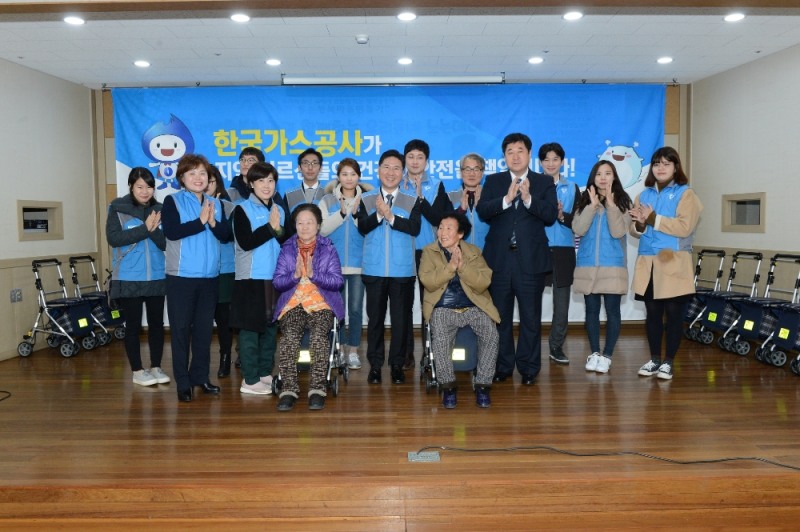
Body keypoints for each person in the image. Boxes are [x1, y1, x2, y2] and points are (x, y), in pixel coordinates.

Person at [476, 132, 558, 385]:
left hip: (530, 261)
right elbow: (483, 211)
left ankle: (529, 369)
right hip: (499, 261)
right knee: (499, 318)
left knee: (530, 319)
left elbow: (550, 215)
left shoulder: (543, 183)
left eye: (520, 150)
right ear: (504, 157)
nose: (515, 155)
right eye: (510, 151)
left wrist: (527, 199)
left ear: (529, 154)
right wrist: (507, 199)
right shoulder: (494, 181)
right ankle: (503, 366)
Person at [161, 154, 230, 402]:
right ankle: (183, 382)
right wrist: (201, 221)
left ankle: (200, 377)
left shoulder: (216, 203)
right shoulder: (172, 201)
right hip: (181, 277)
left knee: (203, 331)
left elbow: (224, 235)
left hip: (210, 277)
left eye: (202, 173)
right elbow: (172, 231)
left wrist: (212, 221)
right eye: (192, 173)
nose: (198, 178)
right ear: (182, 178)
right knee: (180, 330)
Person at [630, 147, 703, 380]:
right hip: (648, 261)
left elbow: (685, 227)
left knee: (674, 315)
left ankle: (669, 362)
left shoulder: (686, 194)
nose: (660, 168)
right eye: (656, 164)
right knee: (652, 313)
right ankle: (654, 359)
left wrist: (653, 219)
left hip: (674, 262)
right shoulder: (644, 195)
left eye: (666, 164)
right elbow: (635, 229)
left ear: (675, 167)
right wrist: (640, 224)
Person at [419, 212, 500, 409]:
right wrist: (450, 268)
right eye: (440, 227)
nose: (443, 232)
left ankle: (482, 386)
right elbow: (428, 282)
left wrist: (462, 267)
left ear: (460, 233)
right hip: (443, 306)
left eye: (449, 228)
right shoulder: (429, 252)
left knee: (491, 334)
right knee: (440, 339)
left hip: (473, 306)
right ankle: (448, 388)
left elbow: (483, 283)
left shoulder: (473, 252)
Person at [357, 149, 422, 385]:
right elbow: (362, 227)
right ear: (378, 170)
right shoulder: (366, 198)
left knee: (400, 321)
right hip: (374, 269)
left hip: (402, 270)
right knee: (374, 320)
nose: (391, 172)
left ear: (402, 172)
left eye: (396, 168)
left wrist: (390, 216)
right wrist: (379, 214)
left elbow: (414, 228)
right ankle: (375, 366)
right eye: (386, 167)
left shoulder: (411, 198)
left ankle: (397, 365)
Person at [273, 204, 345, 411]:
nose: (304, 227)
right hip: (294, 304)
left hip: (321, 304)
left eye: (309, 222)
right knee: (288, 340)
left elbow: (337, 282)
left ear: (318, 225)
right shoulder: (287, 249)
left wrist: (314, 275)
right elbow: (278, 282)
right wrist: (294, 276)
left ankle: (317, 389)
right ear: (294, 225)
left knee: (318, 339)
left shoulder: (328, 248)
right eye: (300, 223)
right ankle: (289, 389)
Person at [229, 162, 289, 395]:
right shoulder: (241, 209)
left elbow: (284, 240)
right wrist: (270, 227)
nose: (267, 185)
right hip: (250, 278)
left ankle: (265, 372)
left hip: (275, 278)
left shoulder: (280, 209)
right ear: (251, 184)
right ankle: (250, 379)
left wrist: (278, 229)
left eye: (271, 180)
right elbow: (246, 242)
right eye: (261, 180)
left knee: (271, 328)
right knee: (250, 330)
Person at [105, 167, 169, 387]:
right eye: (140, 186)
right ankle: (137, 370)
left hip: (157, 276)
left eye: (149, 187)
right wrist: (145, 228)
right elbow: (114, 238)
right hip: (129, 276)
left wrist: (154, 229)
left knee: (157, 324)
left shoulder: (161, 209)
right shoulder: (117, 207)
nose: (145, 191)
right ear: (131, 186)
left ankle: (156, 366)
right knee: (132, 325)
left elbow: (165, 244)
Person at [571, 161, 633, 374]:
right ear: (593, 177)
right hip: (588, 264)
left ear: (614, 177)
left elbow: (618, 232)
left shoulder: (623, 201)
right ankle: (595, 353)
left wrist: (611, 206)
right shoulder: (584, 199)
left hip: (612, 265)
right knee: (591, 312)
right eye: (599, 173)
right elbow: (578, 228)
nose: (603, 177)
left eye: (608, 173)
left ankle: (607, 356)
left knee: (613, 312)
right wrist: (591, 205)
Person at [399, 139, 451, 371]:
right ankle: (406, 354)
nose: (415, 161)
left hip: (429, 254)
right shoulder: (396, 184)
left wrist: (421, 198)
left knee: (429, 304)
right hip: (401, 251)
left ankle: (430, 352)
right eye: (410, 156)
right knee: (404, 305)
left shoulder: (436, 185)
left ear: (427, 161)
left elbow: (440, 219)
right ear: (405, 159)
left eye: (420, 157)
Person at [319, 158, 373, 370]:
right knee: (337, 310)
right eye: (344, 174)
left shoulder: (369, 199)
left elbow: (369, 228)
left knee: (356, 309)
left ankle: (352, 351)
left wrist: (357, 214)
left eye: (353, 174)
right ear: (338, 177)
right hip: (333, 265)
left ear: (358, 176)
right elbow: (321, 230)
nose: (349, 178)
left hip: (359, 265)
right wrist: (342, 214)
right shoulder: (328, 200)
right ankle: (339, 350)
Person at [539, 142, 580, 365]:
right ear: (541, 162)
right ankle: (530, 346)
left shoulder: (573, 188)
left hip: (564, 251)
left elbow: (579, 222)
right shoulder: (532, 185)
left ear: (562, 162)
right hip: (539, 249)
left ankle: (556, 345)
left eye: (555, 159)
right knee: (530, 301)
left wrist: (562, 215)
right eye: (546, 159)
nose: (551, 163)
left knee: (561, 303)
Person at [206, 166, 236, 378]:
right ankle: (201, 361)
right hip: (199, 272)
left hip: (225, 270)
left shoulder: (229, 207)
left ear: (218, 183)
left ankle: (225, 357)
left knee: (224, 319)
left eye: (211, 181)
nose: (206, 185)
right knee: (203, 319)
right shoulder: (189, 206)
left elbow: (229, 236)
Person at [448, 153, 490, 250]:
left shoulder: (490, 196)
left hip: (486, 256)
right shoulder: (449, 197)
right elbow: (446, 228)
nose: (472, 174)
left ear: (482, 173)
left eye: (476, 169)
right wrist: (461, 210)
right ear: (461, 172)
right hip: (458, 256)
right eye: (467, 169)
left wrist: (482, 208)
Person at [284, 148, 327, 213]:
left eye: (314, 163)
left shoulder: (329, 194)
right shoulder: (289, 195)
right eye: (306, 163)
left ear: (320, 168)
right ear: (299, 168)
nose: (310, 168)